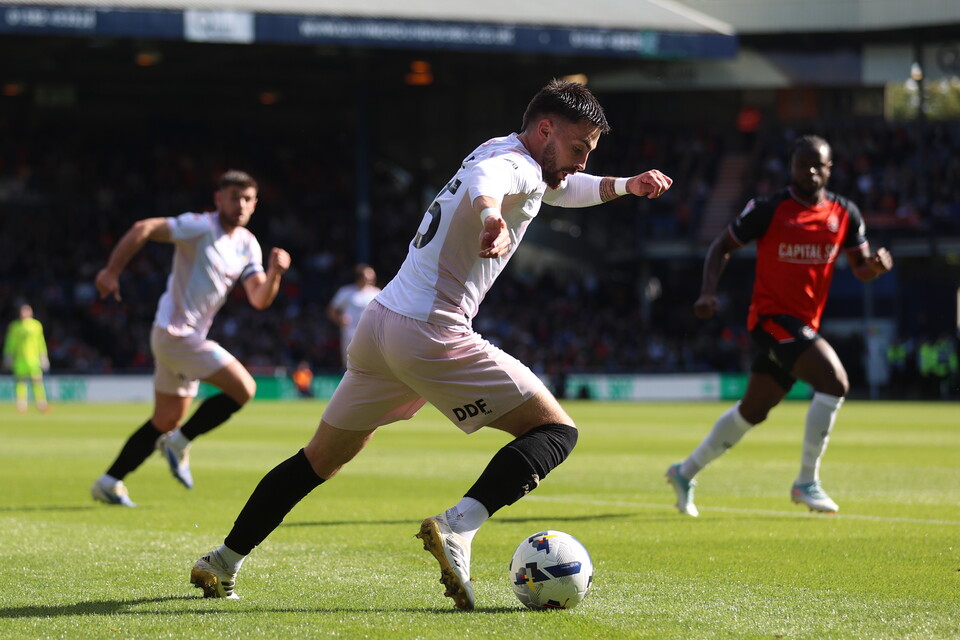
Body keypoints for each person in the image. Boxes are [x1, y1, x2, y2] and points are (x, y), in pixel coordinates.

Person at [189, 79, 673, 607]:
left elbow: (557, 188)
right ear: (545, 130)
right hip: (430, 331)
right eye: (579, 148)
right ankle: (458, 526)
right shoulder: (510, 165)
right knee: (556, 431)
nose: (582, 162)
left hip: (380, 326)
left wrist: (626, 185)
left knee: (318, 460)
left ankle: (223, 559)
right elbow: (490, 184)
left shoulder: (508, 152)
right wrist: (490, 216)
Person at [666, 134, 893, 517]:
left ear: (829, 169)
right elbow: (722, 245)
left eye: (817, 165)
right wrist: (707, 292)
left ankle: (684, 472)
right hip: (769, 319)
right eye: (802, 164)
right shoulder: (769, 209)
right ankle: (806, 482)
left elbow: (861, 268)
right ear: (791, 167)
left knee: (752, 411)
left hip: (804, 325)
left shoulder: (845, 213)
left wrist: (875, 267)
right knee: (834, 382)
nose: (809, 171)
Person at [90, 170, 291, 507]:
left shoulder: (247, 244)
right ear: (218, 199)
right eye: (233, 197)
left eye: (247, 199)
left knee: (165, 419)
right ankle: (179, 442)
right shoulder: (199, 226)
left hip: (184, 338)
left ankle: (109, 482)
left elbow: (259, 298)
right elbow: (143, 228)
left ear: (255, 204)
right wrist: (111, 271)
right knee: (244, 388)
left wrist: (275, 274)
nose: (240, 205)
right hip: (175, 334)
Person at [326, 263, 381, 368]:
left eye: (372, 278)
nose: (370, 280)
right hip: (350, 334)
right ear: (359, 277)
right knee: (350, 365)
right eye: (367, 278)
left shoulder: (377, 293)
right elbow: (331, 310)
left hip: (371, 335)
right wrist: (339, 319)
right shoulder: (346, 291)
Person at [3, 303, 50, 413]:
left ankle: (41, 403)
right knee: (20, 382)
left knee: (37, 381)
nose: (25, 313)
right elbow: (10, 343)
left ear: (31, 312)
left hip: (33, 358)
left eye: (27, 311)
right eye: (23, 311)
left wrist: (43, 356)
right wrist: (8, 356)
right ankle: (21, 404)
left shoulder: (36, 325)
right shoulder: (14, 326)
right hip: (20, 359)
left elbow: (40, 342)